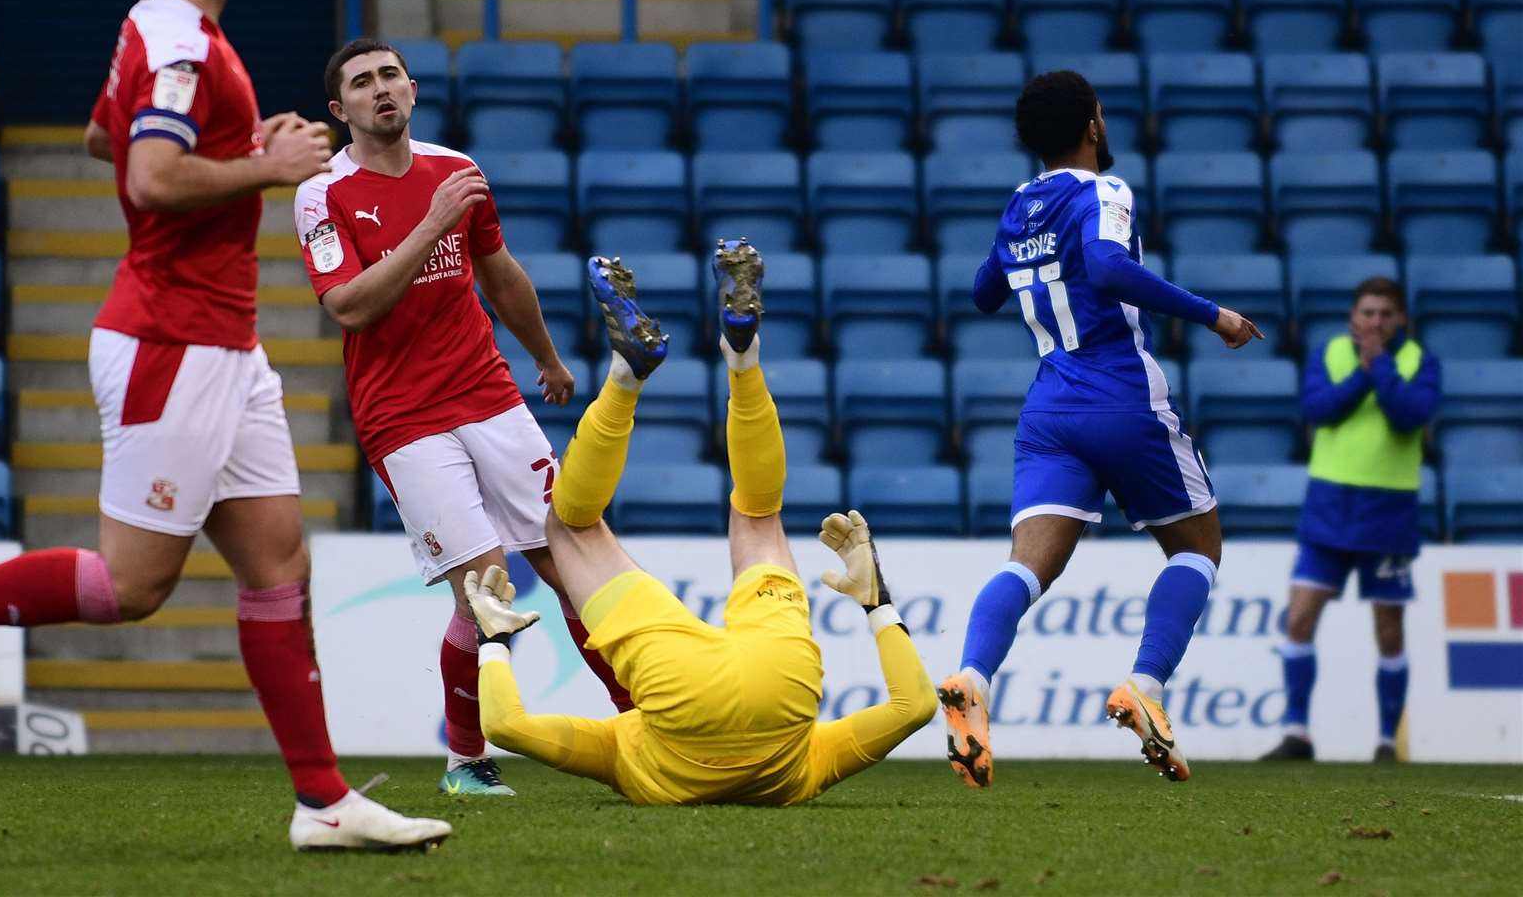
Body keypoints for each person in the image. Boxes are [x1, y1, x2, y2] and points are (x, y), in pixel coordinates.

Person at [0, 0, 448, 852]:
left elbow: (105, 134)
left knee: (279, 564)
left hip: (225, 343)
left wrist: (245, 150)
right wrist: (267, 167)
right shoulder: (179, 35)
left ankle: (323, 803)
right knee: (130, 588)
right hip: (170, 343)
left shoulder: (163, 35)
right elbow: (149, 178)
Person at [466, 241, 938, 806]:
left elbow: (916, 707)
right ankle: (627, 377)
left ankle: (742, 358)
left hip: (780, 685)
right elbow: (506, 726)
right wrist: (492, 639)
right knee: (572, 527)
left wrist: (877, 602)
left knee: (759, 516)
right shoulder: (626, 757)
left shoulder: (804, 772)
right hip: (683, 683)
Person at [293, 38, 633, 797]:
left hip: (488, 393)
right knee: (486, 587)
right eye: (361, 82)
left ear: (411, 89)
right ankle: (466, 762)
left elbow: (498, 272)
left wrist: (544, 357)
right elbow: (350, 307)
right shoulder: (322, 194)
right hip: (403, 418)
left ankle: (644, 721)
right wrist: (429, 226)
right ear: (338, 109)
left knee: (569, 562)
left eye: (389, 76)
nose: (380, 90)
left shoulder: (457, 171)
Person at [934, 70, 1265, 788]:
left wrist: (1025, 258)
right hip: (1119, 393)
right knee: (1198, 549)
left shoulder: (1020, 205)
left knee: (1028, 565)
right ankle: (1145, 685)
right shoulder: (1103, 192)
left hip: (1049, 405)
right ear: (1092, 125)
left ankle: (972, 677)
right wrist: (1216, 316)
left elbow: (982, 293)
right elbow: (1109, 269)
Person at [1261, 277, 1440, 764]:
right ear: (1352, 318)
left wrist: (1378, 365)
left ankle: (1386, 740)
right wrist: (1366, 372)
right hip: (1330, 505)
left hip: (1389, 509)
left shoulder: (1421, 361)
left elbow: (1410, 416)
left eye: (1385, 314)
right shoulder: (1331, 353)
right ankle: (1297, 732)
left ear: (1400, 318)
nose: (1376, 322)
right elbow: (1318, 409)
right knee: (1299, 618)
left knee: (1388, 627)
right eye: (1368, 313)